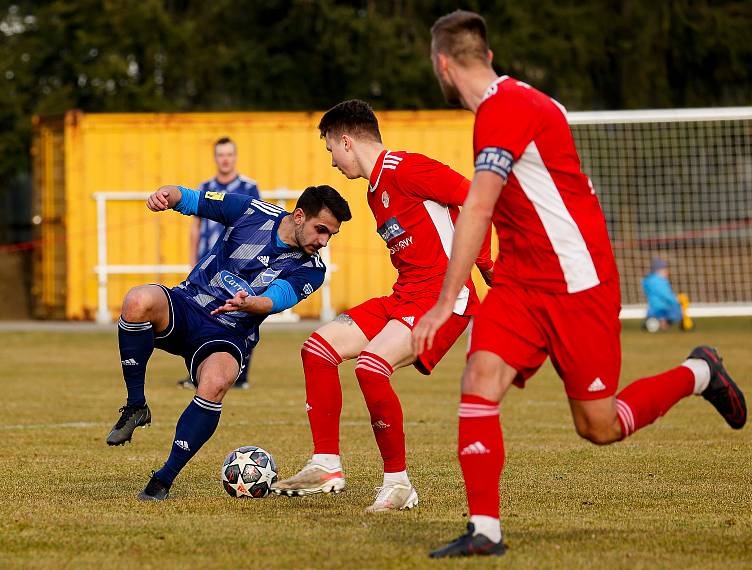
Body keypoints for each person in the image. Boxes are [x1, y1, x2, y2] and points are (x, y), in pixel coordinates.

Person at [413, 10, 747, 557]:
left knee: (599, 425)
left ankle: (700, 371)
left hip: (577, 284)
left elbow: (479, 202)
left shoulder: (507, 109)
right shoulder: (514, 103)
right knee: (480, 375)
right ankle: (485, 531)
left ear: (441, 64)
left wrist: (444, 301)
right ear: (488, 57)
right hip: (523, 285)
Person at [272, 99, 494, 512]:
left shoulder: (406, 168)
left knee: (371, 366)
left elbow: (477, 201)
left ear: (346, 141)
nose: (333, 162)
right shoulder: (375, 193)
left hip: (445, 299)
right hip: (405, 295)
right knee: (317, 349)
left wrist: (484, 266)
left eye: (331, 151)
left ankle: (398, 483)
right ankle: (326, 464)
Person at [105, 183, 351, 501]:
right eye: (321, 230)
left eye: (330, 235)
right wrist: (167, 196)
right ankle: (136, 406)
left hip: (229, 333)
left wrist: (251, 303)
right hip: (188, 304)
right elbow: (192, 199)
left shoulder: (312, 270)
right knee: (137, 300)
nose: (323, 241)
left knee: (217, 381)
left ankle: (163, 480)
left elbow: (276, 299)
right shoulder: (251, 211)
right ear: (300, 216)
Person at [178, 136, 262, 390]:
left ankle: (240, 373)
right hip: (209, 263)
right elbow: (196, 227)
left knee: (243, 315)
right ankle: (200, 372)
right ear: (215, 158)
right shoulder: (205, 187)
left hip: (240, 265)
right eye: (220, 155)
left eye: (229, 154)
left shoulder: (248, 187)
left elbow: (259, 224)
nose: (225, 159)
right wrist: (192, 260)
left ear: (235, 157)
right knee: (199, 315)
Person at [642, 257, 693, 332]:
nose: (667, 272)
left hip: (655, 307)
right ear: (657, 271)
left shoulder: (652, 281)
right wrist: (675, 300)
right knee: (676, 310)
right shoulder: (658, 282)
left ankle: (661, 323)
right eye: (664, 270)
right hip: (661, 307)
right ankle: (664, 323)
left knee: (666, 314)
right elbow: (666, 295)